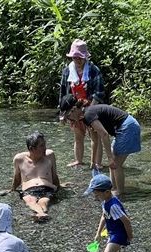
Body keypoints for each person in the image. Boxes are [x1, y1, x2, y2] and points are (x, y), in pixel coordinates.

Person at [60, 95, 141, 196]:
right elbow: (95, 140)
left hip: (128, 127)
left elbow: (104, 134)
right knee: (113, 164)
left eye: (68, 116)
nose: (69, 120)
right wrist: (93, 162)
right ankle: (113, 189)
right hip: (123, 128)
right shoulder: (84, 116)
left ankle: (120, 192)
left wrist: (110, 158)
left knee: (116, 163)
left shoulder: (88, 114)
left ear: (74, 109)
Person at [59, 39, 105, 168]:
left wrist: (91, 110)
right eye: (75, 57)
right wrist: (63, 113)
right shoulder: (67, 71)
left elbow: (99, 92)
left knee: (95, 137)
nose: (77, 60)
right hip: (75, 109)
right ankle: (78, 160)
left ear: (85, 57)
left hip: (91, 106)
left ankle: (97, 162)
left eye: (80, 58)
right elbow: (63, 94)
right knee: (78, 136)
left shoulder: (93, 70)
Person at [0, 132, 60, 221]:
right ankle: (41, 213)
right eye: (42, 146)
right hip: (29, 190)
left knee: (44, 201)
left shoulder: (50, 155)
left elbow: (54, 175)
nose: (45, 148)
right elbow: (17, 177)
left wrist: (60, 186)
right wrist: (12, 189)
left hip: (47, 188)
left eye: (45, 145)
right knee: (30, 201)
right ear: (32, 149)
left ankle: (41, 212)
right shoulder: (19, 159)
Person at [85, 174, 133, 252]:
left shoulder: (113, 205)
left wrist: (129, 236)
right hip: (112, 232)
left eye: (97, 194)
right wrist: (98, 233)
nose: (95, 197)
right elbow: (104, 216)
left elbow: (126, 221)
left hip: (119, 234)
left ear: (107, 192)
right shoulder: (105, 201)